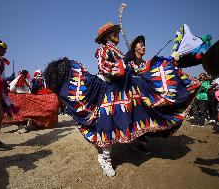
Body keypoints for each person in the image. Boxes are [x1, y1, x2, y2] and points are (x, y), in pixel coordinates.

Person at [44, 22, 202, 177]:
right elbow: (104, 67)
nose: (116, 34)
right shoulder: (103, 50)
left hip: (122, 89)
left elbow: (133, 68)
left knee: (143, 107)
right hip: (108, 90)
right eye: (113, 32)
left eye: (116, 32)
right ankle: (105, 158)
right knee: (107, 123)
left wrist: (157, 63)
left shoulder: (117, 51)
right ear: (106, 37)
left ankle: (140, 142)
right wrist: (123, 66)